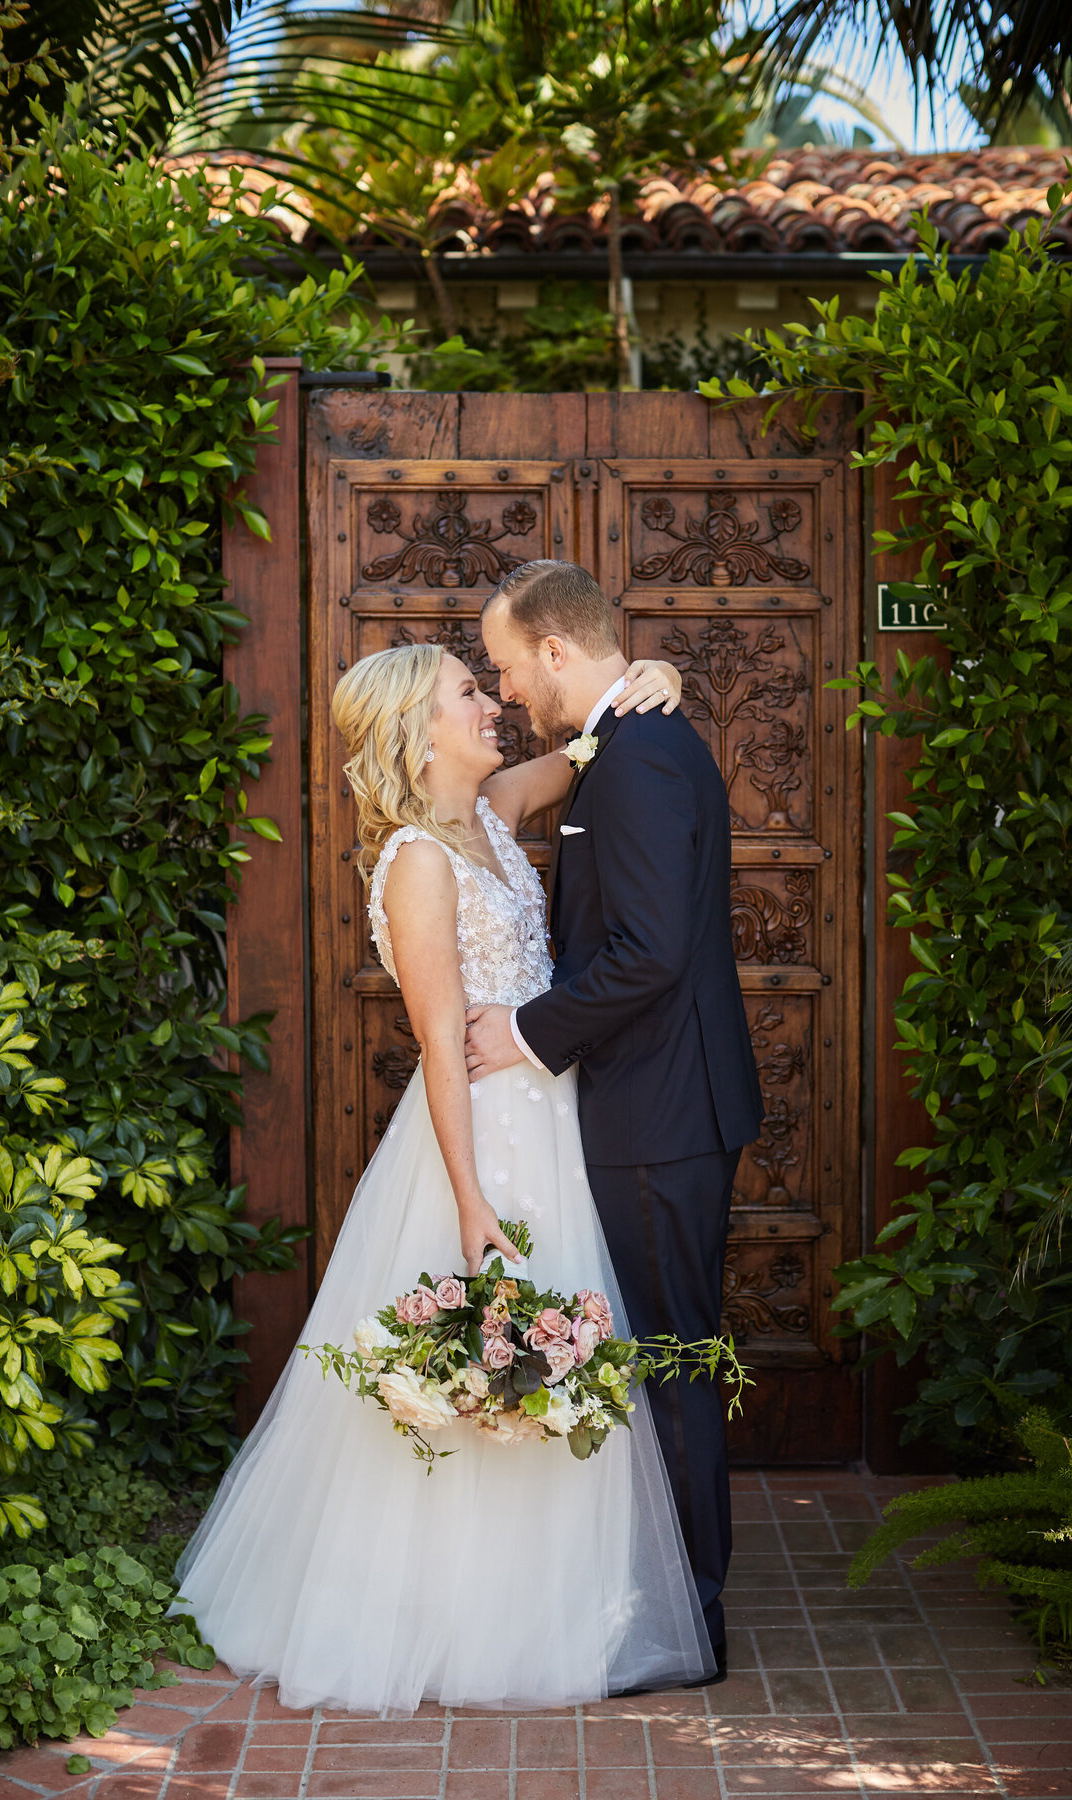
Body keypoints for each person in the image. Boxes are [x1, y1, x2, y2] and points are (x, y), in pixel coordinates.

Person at [173, 640, 718, 1714]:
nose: (492, 702)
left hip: (563, 1127)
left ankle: (569, 1599)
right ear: (419, 736)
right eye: (468, 693)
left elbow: (590, 743)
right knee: (492, 1367)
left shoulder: (496, 812)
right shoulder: (419, 863)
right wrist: (470, 1201)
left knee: (572, 1357)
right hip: (482, 1144)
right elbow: (439, 1048)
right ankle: (462, 1618)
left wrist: (658, 677)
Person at [466, 561, 764, 1680]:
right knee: (662, 1354)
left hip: (661, 1109)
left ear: (554, 648)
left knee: (675, 1363)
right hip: (662, 1101)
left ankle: (691, 1621)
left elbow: (646, 952)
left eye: (507, 665)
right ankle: (674, 1595)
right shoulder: (627, 743)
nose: (505, 691)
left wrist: (529, 1034)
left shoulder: (640, 759)